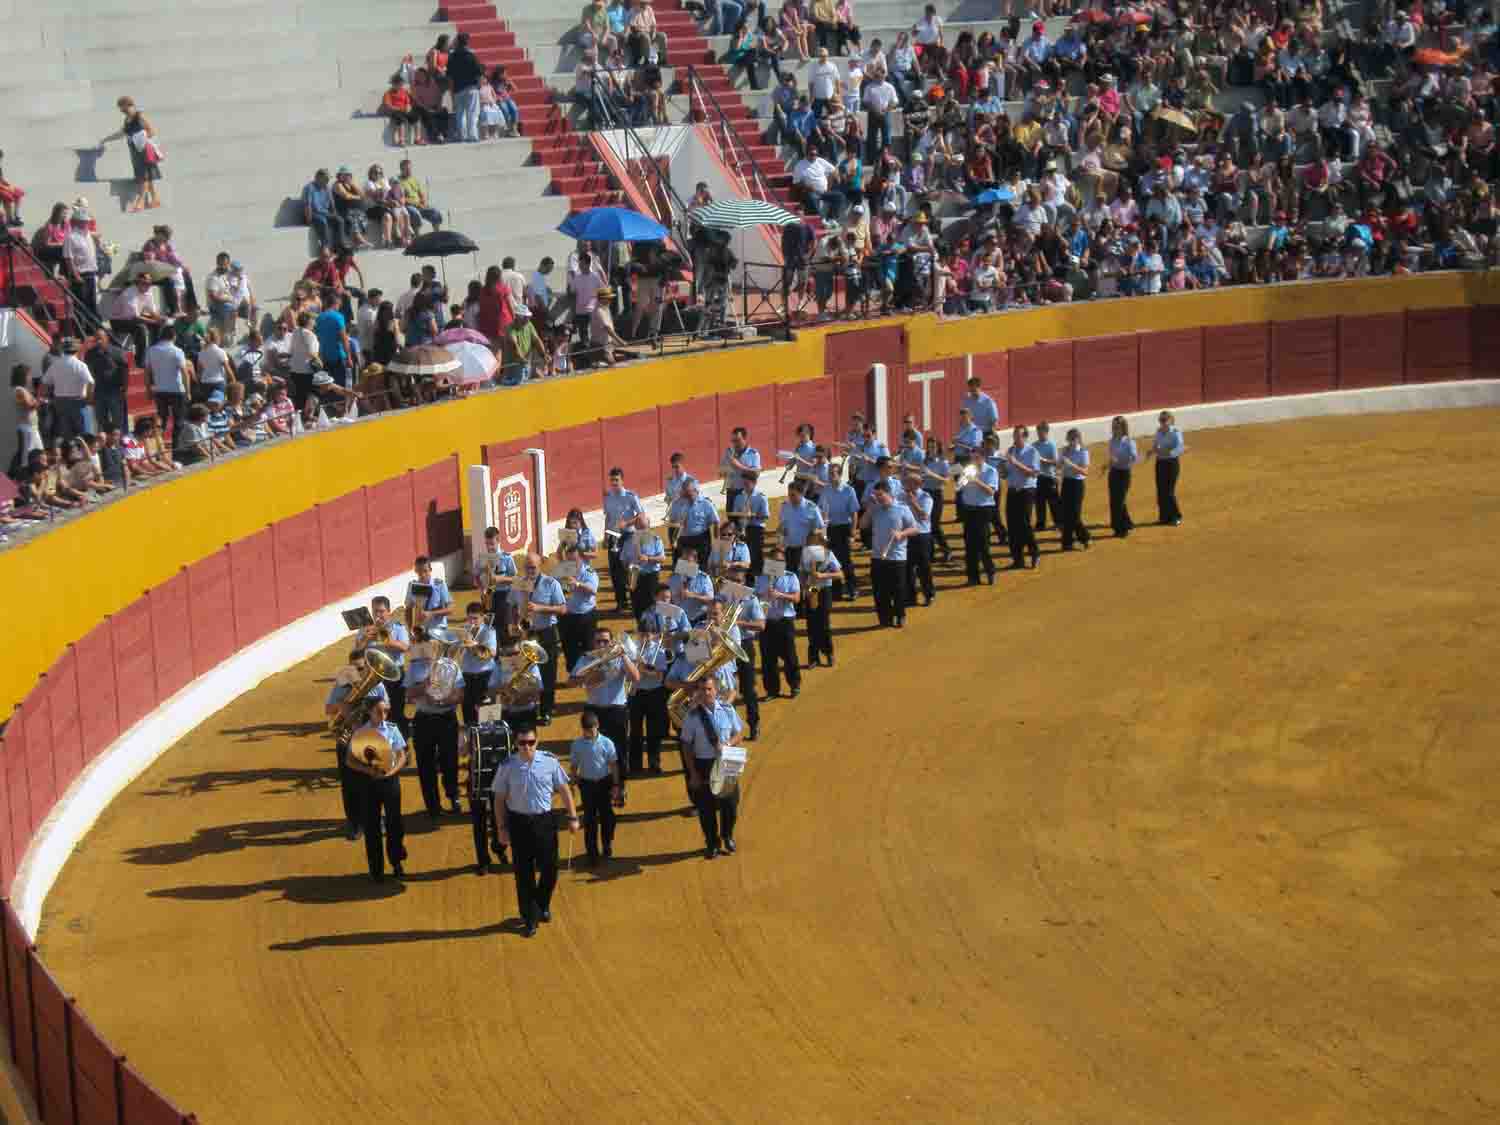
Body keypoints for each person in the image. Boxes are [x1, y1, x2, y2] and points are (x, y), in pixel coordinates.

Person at [491, 725, 579, 936]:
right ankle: (530, 917)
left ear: (537, 742)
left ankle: (541, 903)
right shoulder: (507, 766)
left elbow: (564, 790)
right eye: (522, 743)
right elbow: (499, 799)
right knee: (524, 873)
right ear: (516, 744)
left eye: (531, 742)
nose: (527, 747)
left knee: (550, 868)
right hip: (519, 823)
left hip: (544, 821)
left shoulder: (549, 762)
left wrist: (573, 817)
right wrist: (501, 828)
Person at [324, 649, 390, 840]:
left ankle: (377, 819)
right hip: (347, 740)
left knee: (375, 782)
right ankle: (354, 823)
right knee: (349, 784)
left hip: (371, 739)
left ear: (368, 667)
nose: (357, 672)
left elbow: (387, 709)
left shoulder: (377, 685)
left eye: (361, 668)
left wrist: (372, 710)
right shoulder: (341, 684)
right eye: (353, 668)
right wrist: (342, 706)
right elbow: (328, 709)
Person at [570, 623, 638, 796]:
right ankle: (597, 788)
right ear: (593, 643)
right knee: (593, 749)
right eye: (598, 641)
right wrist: (589, 677)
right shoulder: (586, 659)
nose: (601, 644)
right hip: (594, 710)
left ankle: (619, 787)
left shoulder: (619, 658)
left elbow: (635, 677)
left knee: (619, 749)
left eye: (605, 641)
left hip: (616, 710)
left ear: (611, 642)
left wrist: (623, 655)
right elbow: (571, 681)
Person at [679, 677, 744, 859]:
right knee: (706, 808)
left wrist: (728, 744)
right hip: (704, 763)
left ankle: (727, 835)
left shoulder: (728, 709)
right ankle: (712, 843)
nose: (705, 693)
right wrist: (692, 773)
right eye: (701, 689)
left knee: (730, 804)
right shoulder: (692, 716)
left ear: (716, 691)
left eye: (709, 689)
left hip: (727, 759)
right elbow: (686, 745)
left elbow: (739, 733)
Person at [349, 698, 409, 883]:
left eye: (385, 711)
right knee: (372, 825)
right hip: (369, 783)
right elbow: (349, 760)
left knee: (394, 823)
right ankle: (376, 870)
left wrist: (392, 771)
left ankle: (396, 862)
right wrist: (368, 771)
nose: (383, 715)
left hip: (390, 781)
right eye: (379, 711)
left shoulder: (392, 729)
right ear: (370, 712)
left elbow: (402, 756)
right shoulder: (360, 732)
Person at [511, 553, 566, 725]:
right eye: (527, 567)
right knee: (525, 672)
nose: (530, 570)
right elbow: (511, 605)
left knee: (547, 673)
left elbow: (563, 609)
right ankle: (529, 709)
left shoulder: (551, 583)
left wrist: (539, 608)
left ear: (540, 566)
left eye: (533, 567)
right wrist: (513, 623)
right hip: (525, 633)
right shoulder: (518, 583)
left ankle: (546, 710)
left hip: (545, 632)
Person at [569, 711, 621, 865]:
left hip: (604, 784)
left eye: (591, 730)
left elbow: (613, 765)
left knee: (607, 817)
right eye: (586, 730)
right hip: (587, 785)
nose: (589, 733)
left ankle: (607, 844)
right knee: (590, 820)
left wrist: (616, 785)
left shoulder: (607, 743)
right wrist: (572, 783)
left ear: (597, 726)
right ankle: (592, 853)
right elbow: (574, 766)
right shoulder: (577, 745)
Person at [866, 481, 917, 627]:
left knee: (898, 588)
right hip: (877, 556)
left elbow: (914, 529)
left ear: (889, 493)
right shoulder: (875, 510)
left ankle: (900, 615)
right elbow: (862, 525)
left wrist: (901, 534)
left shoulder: (902, 509)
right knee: (879, 590)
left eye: (880, 495)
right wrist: (869, 510)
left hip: (897, 557)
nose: (878, 498)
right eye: (876, 495)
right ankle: (885, 618)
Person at [756, 544, 801, 698]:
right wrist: (763, 597)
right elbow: (755, 598)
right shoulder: (761, 578)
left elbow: (796, 598)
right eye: (774, 561)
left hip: (784, 621)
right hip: (767, 622)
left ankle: (794, 685)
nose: (777, 564)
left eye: (780, 561)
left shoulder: (790, 577)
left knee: (789, 656)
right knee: (768, 658)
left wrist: (780, 595)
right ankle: (772, 690)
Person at [602, 467, 643, 613]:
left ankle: (635, 600)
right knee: (615, 571)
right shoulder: (608, 497)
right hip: (614, 535)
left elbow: (641, 515)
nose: (614, 483)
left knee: (630, 569)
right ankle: (621, 602)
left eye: (616, 480)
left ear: (622, 480)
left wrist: (626, 523)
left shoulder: (631, 496)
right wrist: (605, 535)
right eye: (612, 480)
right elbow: (608, 517)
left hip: (629, 536)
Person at [818, 460, 859, 599]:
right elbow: (822, 511)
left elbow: (854, 513)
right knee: (831, 560)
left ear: (840, 475)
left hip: (844, 528)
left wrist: (853, 533)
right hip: (831, 529)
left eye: (833, 474)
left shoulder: (849, 490)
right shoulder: (825, 490)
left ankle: (852, 588)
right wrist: (823, 531)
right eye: (829, 474)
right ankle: (836, 591)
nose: (830, 476)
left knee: (846, 561)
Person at [42, 337, 95, 444]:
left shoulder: (55, 364)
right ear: (75, 350)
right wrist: (89, 398)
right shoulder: (80, 365)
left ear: (63, 349)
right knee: (81, 435)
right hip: (77, 402)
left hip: (60, 402)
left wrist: (46, 396)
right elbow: (91, 382)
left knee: (65, 435)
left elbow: (45, 382)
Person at [958, 447, 999, 585]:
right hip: (969, 509)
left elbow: (990, 491)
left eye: (976, 457)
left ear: (983, 457)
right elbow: (959, 487)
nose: (973, 460)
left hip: (983, 509)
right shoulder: (968, 470)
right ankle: (973, 577)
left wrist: (975, 480)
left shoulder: (991, 471)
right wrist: (962, 478)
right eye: (971, 458)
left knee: (982, 543)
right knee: (969, 544)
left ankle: (990, 571)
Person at [1003, 426, 1042, 570]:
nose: (1015, 438)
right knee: (1012, 525)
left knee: (1024, 524)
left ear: (1025, 437)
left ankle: (1034, 552)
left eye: (1018, 435)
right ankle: (1017, 559)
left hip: (1026, 491)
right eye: (1014, 435)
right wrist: (1002, 469)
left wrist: (1015, 463)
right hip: (1012, 491)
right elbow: (1006, 473)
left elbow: (1034, 473)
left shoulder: (1032, 452)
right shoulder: (1010, 451)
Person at [801, 531, 840, 668]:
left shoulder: (828, 554)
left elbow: (839, 574)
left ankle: (829, 653)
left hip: (824, 589)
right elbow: (802, 572)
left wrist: (822, 576)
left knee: (824, 623)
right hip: (812, 589)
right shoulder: (806, 554)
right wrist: (804, 588)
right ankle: (813, 657)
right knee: (812, 624)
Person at [458, 602, 498, 727]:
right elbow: (455, 651)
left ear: (483, 617)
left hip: (486, 675)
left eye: (475, 618)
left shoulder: (489, 631)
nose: (472, 622)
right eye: (470, 618)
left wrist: (473, 645)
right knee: (468, 714)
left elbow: (492, 653)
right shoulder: (463, 630)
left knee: (487, 716)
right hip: (467, 675)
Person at [900, 472, 935, 606]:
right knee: (907, 568)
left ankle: (929, 594)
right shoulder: (900, 496)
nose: (905, 484)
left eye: (908, 482)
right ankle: (910, 596)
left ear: (917, 484)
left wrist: (913, 502)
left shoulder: (926, 497)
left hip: (921, 536)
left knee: (923, 567)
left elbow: (924, 516)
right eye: (905, 482)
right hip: (906, 535)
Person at [1145, 410, 1185, 525]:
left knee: (1169, 491)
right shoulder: (1158, 432)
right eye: (1160, 420)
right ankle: (1164, 517)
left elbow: (1180, 448)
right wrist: (1151, 451)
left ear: (1170, 420)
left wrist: (1167, 451)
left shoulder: (1175, 432)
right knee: (1161, 491)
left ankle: (1176, 516)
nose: (1162, 422)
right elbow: (1155, 446)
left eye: (1164, 420)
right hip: (1160, 463)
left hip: (1171, 464)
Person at [670, 478, 719, 568]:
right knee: (686, 569)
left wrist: (717, 541)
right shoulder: (677, 504)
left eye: (688, 492)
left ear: (696, 491)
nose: (686, 495)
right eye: (684, 492)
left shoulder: (706, 503)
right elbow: (673, 523)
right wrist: (674, 540)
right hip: (684, 540)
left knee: (702, 566)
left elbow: (716, 522)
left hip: (702, 538)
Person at [1104, 415, 1138, 538]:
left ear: (1123, 428)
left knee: (1119, 501)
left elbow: (1134, 458)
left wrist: (1122, 460)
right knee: (1114, 500)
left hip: (1124, 473)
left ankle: (1121, 529)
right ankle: (1127, 523)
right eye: (1113, 427)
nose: (1114, 429)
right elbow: (1112, 458)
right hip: (1113, 473)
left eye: (1117, 427)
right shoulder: (1112, 441)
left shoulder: (1129, 442)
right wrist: (1107, 465)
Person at [1059, 427, 1092, 551]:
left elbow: (1085, 471)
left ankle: (1085, 537)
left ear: (1078, 439)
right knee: (1066, 513)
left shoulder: (1083, 452)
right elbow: (1059, 465)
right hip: (1066, 483)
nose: (1071, 441)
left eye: (1073, 438)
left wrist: (1070, 464)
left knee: (1075, 515)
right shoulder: (1065, 450)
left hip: (1077, 485)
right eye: (1069, 439)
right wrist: (1059, 467)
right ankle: (1067, 542)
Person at [1031, 421, 1061, 530]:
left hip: (1049, 477)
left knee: (1054, 502)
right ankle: (1040, 523)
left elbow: (1056, 462)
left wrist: (1043, 460)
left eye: (1041, 432)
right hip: (1038, 477)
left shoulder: (1051, 445)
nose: (1039, 434)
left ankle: (1059, 522)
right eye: (1038, 432)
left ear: (1046, 432)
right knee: (1039, 502)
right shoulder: (1034, 445)